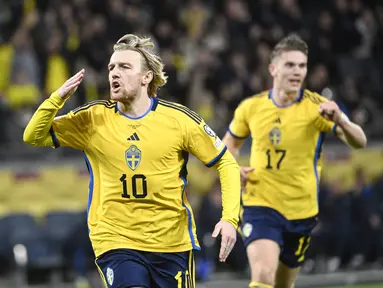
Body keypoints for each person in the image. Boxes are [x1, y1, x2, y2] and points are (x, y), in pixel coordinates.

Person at [23, 34, 240, 288]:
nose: (114, 73)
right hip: (116, 241)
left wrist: (229, 219)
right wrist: (57, 98)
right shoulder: (93, 119)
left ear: (146, 77)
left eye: (125, 67)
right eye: (111, 67)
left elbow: (226, 163)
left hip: (172, 243)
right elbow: (33, 135)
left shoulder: (178, 120)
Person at [223, 34, 367, 288]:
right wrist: (233, 170)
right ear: (273, 69)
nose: (297, 71)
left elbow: (360, 142)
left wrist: (342, 120)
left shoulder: (318, 107)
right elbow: (228, 146)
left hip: (302, 210)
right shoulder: (251, 108)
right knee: (263, 275)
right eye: (290, 65)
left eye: (302, 65)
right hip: (260, 203)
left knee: (282, 284)